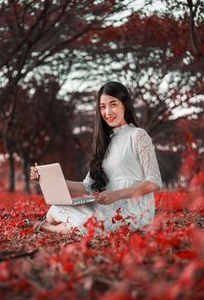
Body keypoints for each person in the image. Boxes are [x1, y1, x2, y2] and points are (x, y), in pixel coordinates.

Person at [30, 81, 162, 235]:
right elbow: (88, 186)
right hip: (107, 206)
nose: (108, 112)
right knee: (54, 211)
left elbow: (154, 182)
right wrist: (47, 181)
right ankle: (55, 224)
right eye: (103, 107)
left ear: (124, 105)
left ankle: (48, 227)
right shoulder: (105, 142)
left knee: (84, 224)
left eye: (113, 104)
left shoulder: (138, 135)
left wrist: (117, 194)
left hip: (134, 209)